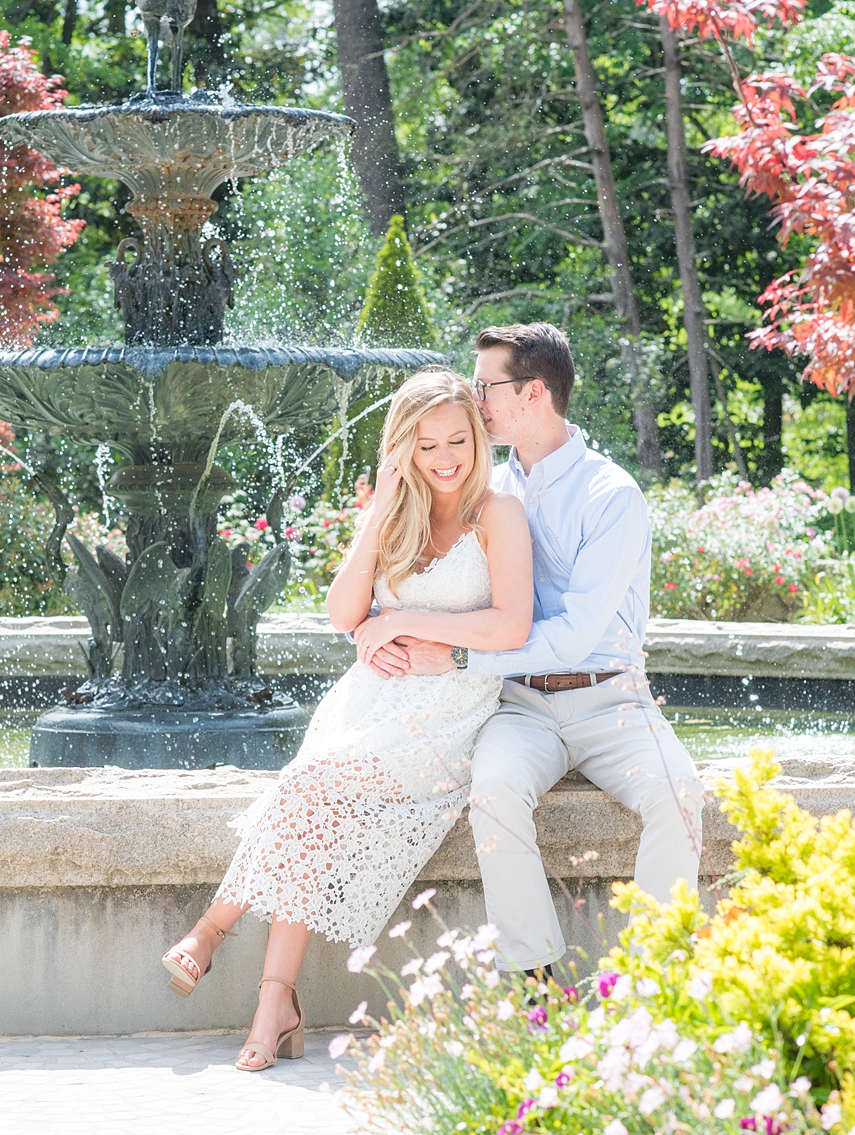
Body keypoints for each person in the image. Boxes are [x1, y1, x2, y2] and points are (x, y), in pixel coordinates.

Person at [159, 368, 534, 1071]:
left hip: (449, 710)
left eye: (457, 440)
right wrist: (381, 505)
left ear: (478, 439)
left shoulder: (498, 513)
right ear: (402, 449)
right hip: (368, 700)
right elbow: (342, 615)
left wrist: (404, 620)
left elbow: (513, 623)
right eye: (425, 447)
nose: (445, 458)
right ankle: (275, 999)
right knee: (311, 791)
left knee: (308, 788)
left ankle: (216, 938)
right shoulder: (398, 506)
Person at [369, 323, 704, 978]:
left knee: (679, 792)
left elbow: (578, 633)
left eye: (484, 386)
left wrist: (460, 657)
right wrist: (370, 624)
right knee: (492, 791)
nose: (475, 399)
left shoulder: (611, 496)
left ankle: (648, 985)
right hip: (519, 707)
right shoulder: (482, 487)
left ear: (533, 394)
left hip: (613, 702)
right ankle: (538, 985)